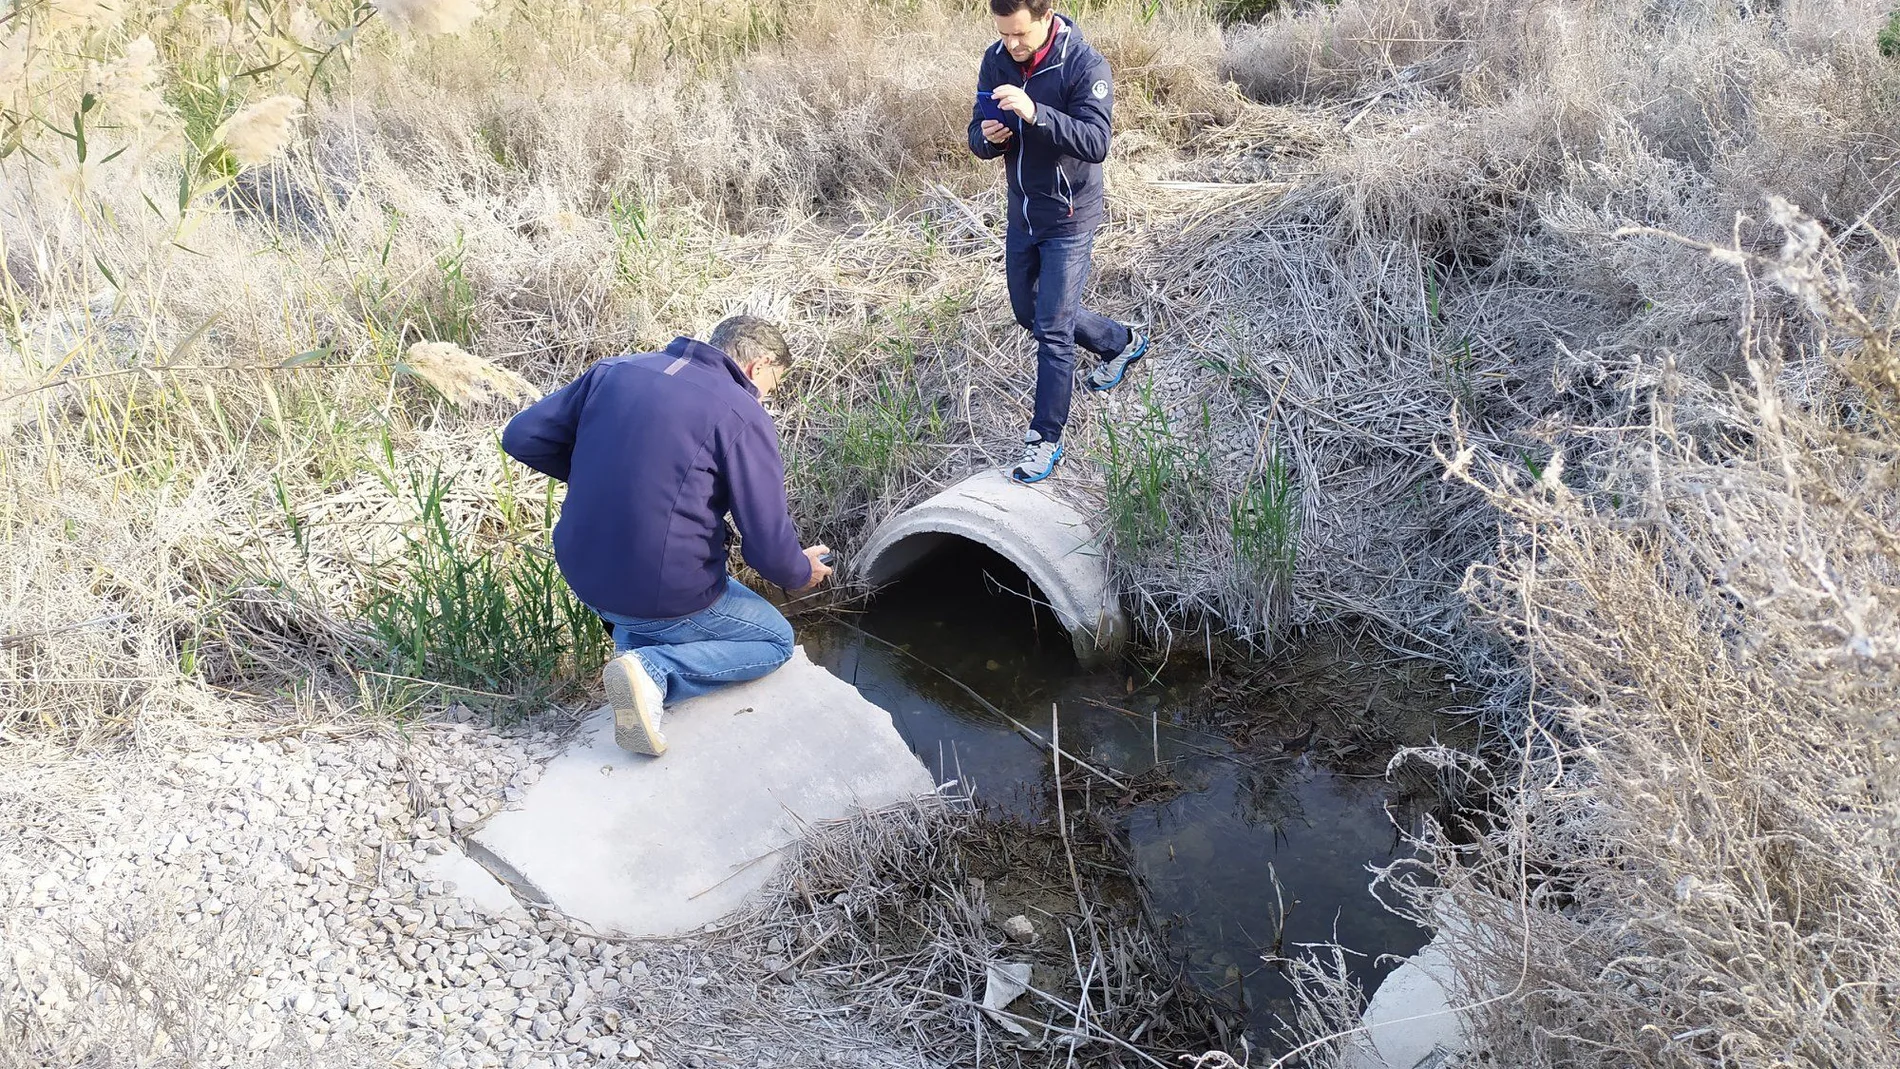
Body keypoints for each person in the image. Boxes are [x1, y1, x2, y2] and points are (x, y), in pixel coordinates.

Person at [500, 317, 831, 757]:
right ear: (759, 364)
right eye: (773, 384)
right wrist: (800, 569)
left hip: (583, 572)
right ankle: (653, 672)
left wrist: (598, 477)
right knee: (774, 640)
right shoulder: (740, 413)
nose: (767, 397)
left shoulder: (617, 370)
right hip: (661, 589)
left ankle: (633, 657)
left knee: (664, 594)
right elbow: (768, 547)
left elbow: (521, 436)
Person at [969, 0, 1152, 484]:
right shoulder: (996, 59)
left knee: (1051, 330)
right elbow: (976, 132)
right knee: (1029, 312)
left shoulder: (1084, 64)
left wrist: (1035, 113)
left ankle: (1044, 440)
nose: (1011, 45)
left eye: (1020, 35)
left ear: (1048, 17)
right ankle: (1121, 341)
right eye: (1003, 34)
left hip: (1070, 216)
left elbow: (1096, 142)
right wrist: (988, 138)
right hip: (1022, 212)